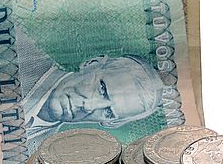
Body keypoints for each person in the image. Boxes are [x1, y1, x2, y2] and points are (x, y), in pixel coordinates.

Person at [18, 42, 164, 145]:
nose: (88, 107)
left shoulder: (40, 154)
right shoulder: (16, 51)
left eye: (108, 112)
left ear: (110, 124)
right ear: (92, 63)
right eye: (102, 89)